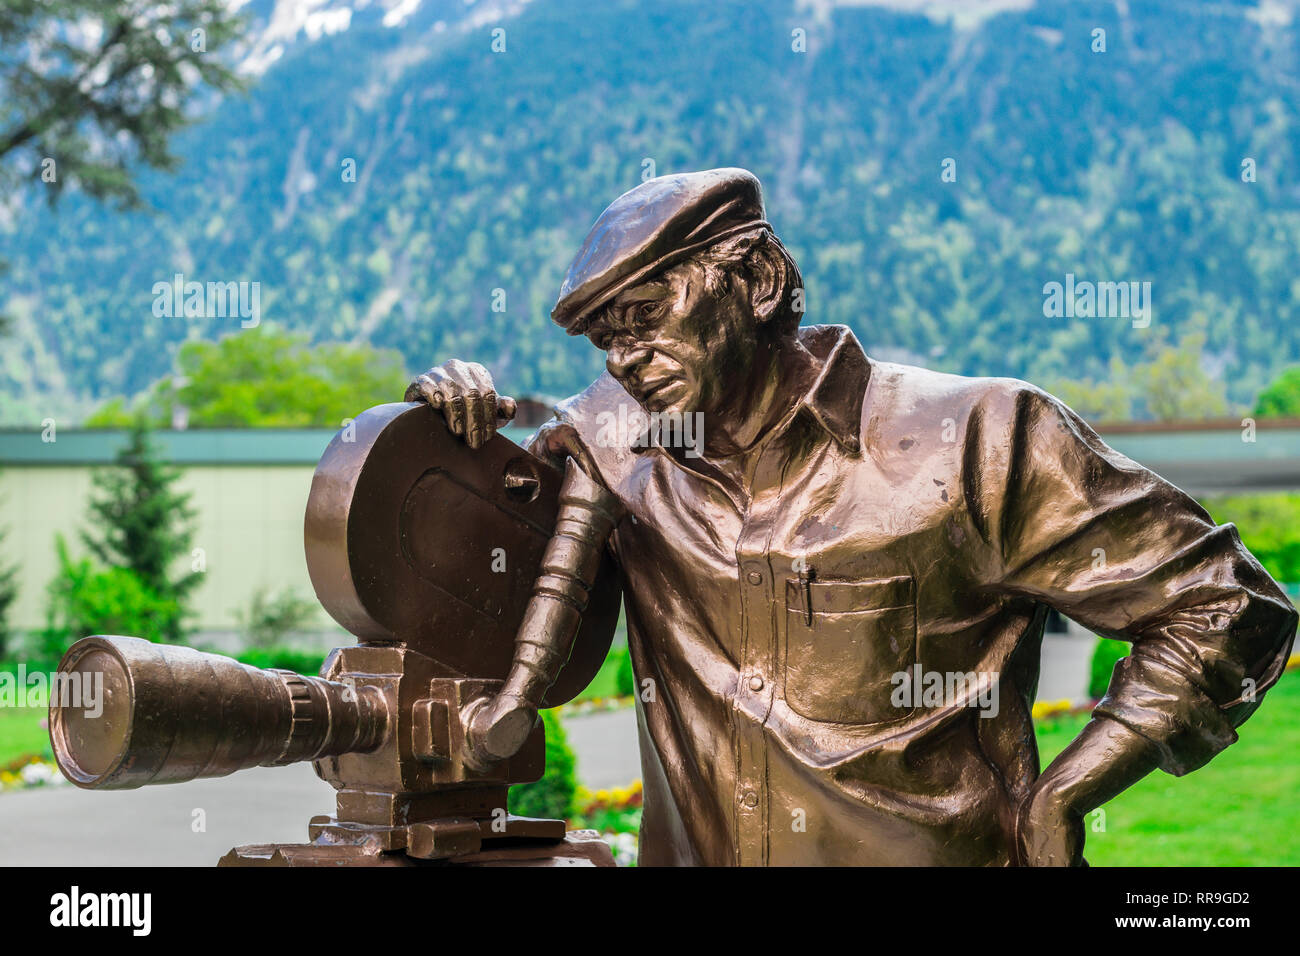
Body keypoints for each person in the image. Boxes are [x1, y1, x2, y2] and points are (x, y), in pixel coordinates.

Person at [406, 168, 1297, 866]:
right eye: (605, 341)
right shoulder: (612, 445)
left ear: (753, 279)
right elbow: (483, 571)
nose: (626, 360)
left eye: (644, 317)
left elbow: (1230, 607)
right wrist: (454, 433)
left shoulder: (980, 440)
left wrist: (1064, 794)